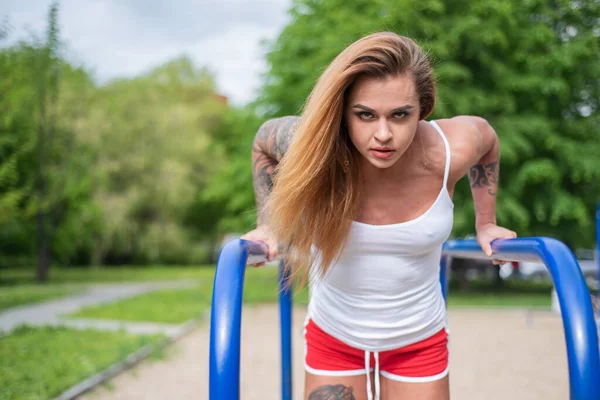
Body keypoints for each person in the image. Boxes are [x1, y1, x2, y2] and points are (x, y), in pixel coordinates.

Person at [242, 32, 517, 400]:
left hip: (419, 341)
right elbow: (263, 140)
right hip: (333, 337)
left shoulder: (451, 148)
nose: (383, 135)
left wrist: (486, 222)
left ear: (424, 108)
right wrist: (268, 224)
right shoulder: (312, 145)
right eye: (365, 115)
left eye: (400, 115)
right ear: (342, 111)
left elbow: (488, 141)